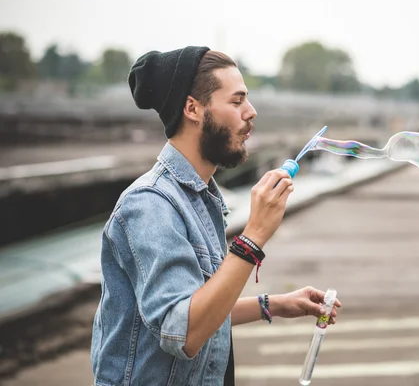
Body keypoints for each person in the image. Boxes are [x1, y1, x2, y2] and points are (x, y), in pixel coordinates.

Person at [90, 46, 342, 386]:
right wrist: (253, 238)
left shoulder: (200, 199)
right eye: (237, 101)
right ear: (193, 108)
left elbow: (201, 308)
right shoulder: (150, 204)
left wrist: (274, 304)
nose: (251, 112)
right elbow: (185, 331)